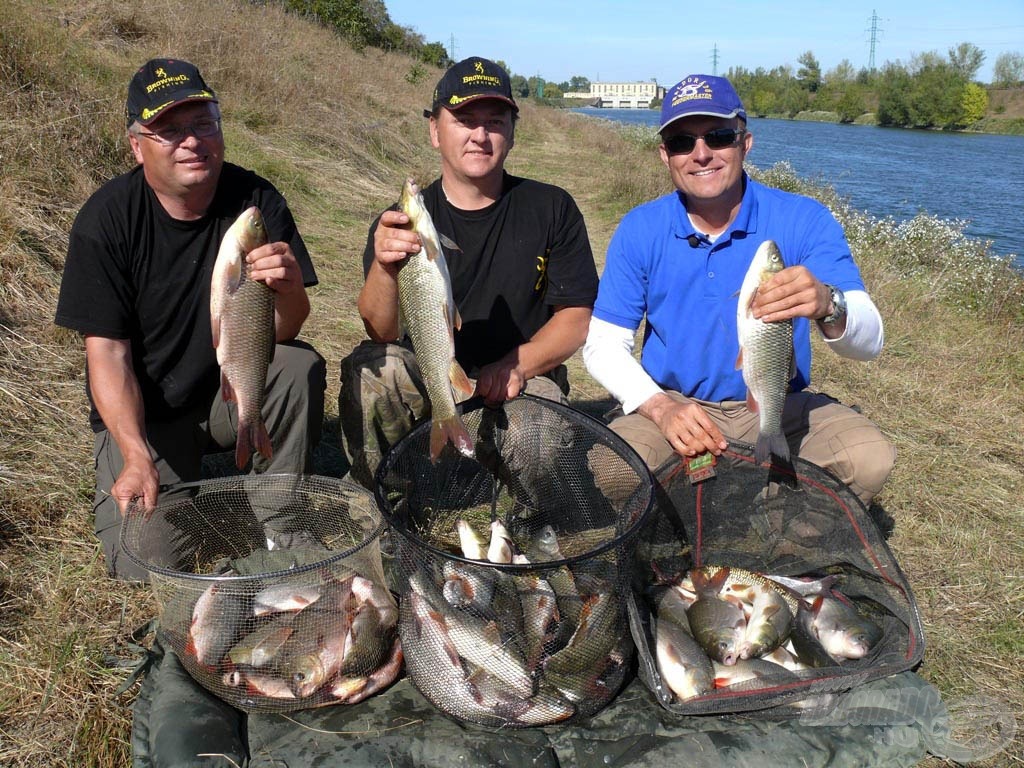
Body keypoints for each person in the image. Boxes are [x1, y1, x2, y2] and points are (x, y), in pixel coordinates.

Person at [55, 58, 326, 580]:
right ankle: (163, 471)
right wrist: (134, 453)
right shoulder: (106, 221)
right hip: (150, 415)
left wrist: (290, 290)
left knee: (296, 367)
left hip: (230, 391)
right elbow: (107, 356)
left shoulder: (256, 202)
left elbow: (287, 330)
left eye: (204, 123)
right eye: (170, 130)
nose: (192, 141)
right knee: (144, 563)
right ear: (137, 145)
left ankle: (282, 523)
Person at [584, 74, 894, 506]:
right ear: (664, 155)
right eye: (681, 142)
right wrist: (659, 407)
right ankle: (687, 516)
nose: (701, 154)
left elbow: (870, 342)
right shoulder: (641, 228)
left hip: (774, 402)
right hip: (675, 405)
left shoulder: (803, 218)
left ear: (745, 142)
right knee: (611, 467)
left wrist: (828, 304)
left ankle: (791, 540)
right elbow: (601, 346)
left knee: (868, 459)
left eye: (719, 136)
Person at [339, 56, 599, 487]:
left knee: (541, 430)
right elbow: (381, 331)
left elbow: (577, 318)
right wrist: (385, 268)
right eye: (464, 120)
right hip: (430, 373)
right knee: (371, 371)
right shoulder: (401, 224)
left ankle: (528, 522)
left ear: (513, 132)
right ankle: (388, 501)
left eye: (495, 121)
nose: (480, 135)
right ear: (434, 130)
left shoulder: (552, 207)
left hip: (519, 380)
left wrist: (516, 365)